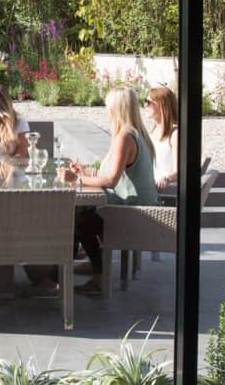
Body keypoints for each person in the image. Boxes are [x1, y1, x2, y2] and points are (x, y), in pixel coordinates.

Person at [59, 87, 159, 294]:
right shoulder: (136, 133)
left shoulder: (125, 137)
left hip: (135, 216)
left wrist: (77, 179)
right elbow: (111, 173)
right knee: (82, 215)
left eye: (107, 107)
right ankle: (90, 264)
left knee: (81, 220)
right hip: (142, 209)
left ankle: (96, 276)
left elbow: (111, 181)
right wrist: (86, 171)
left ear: (115, 109)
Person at [146, 84, 179, 191]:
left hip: (164, 192)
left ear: (161, 105)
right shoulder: (151, 133)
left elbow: (179, 171)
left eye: (148, 102)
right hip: (149, 188)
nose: (145, 106)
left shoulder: (175, 134)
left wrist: (166, 179)